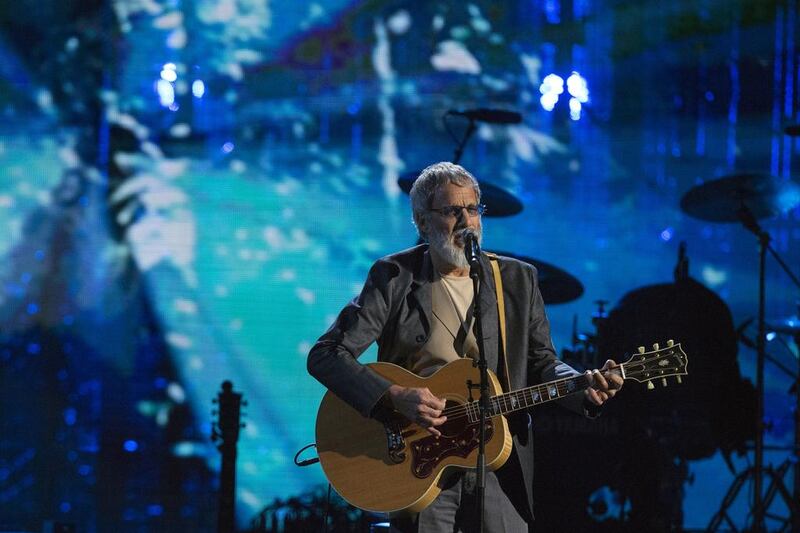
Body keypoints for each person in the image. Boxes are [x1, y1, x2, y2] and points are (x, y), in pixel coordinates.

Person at [307, 162, 623, 532]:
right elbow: (326, 355)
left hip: (498, 461)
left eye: (472, 209)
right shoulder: (394, 277)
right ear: (422, 222)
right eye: (451, 211)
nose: (466, 221)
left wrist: (583, 386)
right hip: (417, 461)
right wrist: (394, 396)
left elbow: (541, 361)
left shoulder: (517, 280)